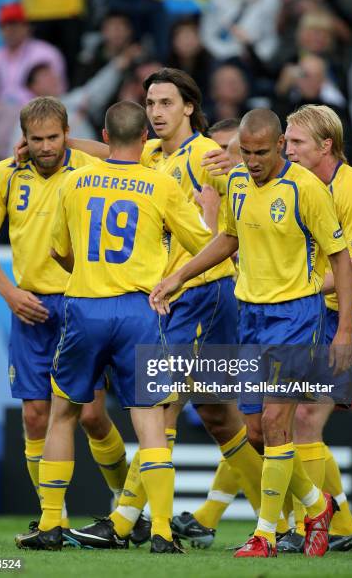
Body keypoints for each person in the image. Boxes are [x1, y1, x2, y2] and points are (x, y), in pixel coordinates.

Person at [62, 68, 264, 551]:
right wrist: (57, 141)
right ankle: (291, 516)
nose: (156, 112)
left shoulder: (205, 157)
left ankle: (124, 520)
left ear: (189, 107)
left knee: (160, 404)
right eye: (150, 103)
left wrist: (230, 179)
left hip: (204, 293)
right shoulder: (152, 153)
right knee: (218, 416)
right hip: (174, 297)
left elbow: (244, 198)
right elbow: (108, 151)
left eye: (167, 103)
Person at [150, 108, 352, 558]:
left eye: (262, 152)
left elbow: (341, 259)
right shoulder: (239, 183)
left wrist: (344, 329)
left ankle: (265, 535)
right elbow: (227, 237)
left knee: (278, 421)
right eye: (246, 152)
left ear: (281, 145)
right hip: (251, 315)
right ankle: (318, 507)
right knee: (257, 429)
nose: (254, 160)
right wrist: (179, 276)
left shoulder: (307, 190)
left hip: (297, 315)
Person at [14, 100, 216, 553]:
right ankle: (162, 531)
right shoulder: (161, 184)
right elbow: (204, 245)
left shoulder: (75, 182)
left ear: (104, 138)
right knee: (149, 420)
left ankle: (50, 524)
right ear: (145, 140)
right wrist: (172, 279)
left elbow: (59, 253)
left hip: (85, 308)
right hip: (140, 312)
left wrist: (88, 267)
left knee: (64, 413)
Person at [0, 96, 128, 533]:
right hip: (30, 306)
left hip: (81, 304)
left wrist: (73, 143)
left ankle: (127, 508)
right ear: (23, 139)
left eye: (53, 137)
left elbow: (129, 153)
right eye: (36, 139)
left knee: (94, 416)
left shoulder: (85, 167)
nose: (44, 147)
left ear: (66, 134)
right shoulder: (5, 174)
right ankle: (51, 520)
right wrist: (9, 293)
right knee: (35, 415)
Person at [280, 103, 352, 552]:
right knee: (303, 415)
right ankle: (338, 526)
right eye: (286, 140)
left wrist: (296, 284)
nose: (288, 149)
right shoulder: (301, 186)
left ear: (326, 145)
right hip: (327, 315)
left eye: (297, 142)